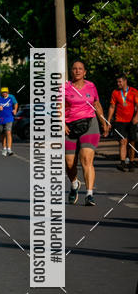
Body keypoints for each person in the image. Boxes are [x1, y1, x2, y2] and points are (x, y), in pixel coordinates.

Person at [65, 60, 107, 207]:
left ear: (85, 72)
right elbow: (58, 107)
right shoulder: (64, 87)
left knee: (86, 159)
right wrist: (61, 122)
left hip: (90, 124)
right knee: (69, 163)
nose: (77, 71)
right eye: (74, 68)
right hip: (69, 127)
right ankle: (75, 184)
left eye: (80, 69)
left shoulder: (91, 86)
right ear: (71, 71)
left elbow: (96, 104)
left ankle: (89, 195)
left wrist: (103, 121)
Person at [106, 73, 138, 172]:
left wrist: (136, 117)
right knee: (122, 141)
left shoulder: (134, 91)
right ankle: (123, 162)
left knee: (131, 142)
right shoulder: (115, 92)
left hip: (131, 121)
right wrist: (108, 121)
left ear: (125, 81)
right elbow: (112, 107)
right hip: (119, 120)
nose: (118, 83)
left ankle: (132, 162)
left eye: (120, 82)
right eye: (117, 82)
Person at [0, 86, 18, 155]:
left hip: (9, 117)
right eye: (3, 92)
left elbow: (16, 103)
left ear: (8, 92)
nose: (4, 93)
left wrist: (15, 110)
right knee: (2, 134)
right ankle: (4, 148)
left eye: (5, 92)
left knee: (8, 132)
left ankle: (9, 149)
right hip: (0, 118)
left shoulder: (11, 97)